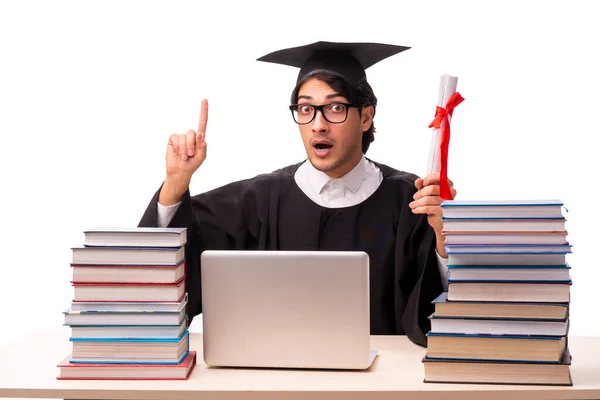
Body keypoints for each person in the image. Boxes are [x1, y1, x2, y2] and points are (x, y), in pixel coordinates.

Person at [139, 41, 457, 347]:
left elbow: (436, 317)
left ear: (366, 117)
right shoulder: (255, 203)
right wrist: (175, 185)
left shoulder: (412, 203)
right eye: (305, 109)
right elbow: (162, 283)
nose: (318, 124)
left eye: (335, 108)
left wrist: (445, 239)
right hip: (275, 384)